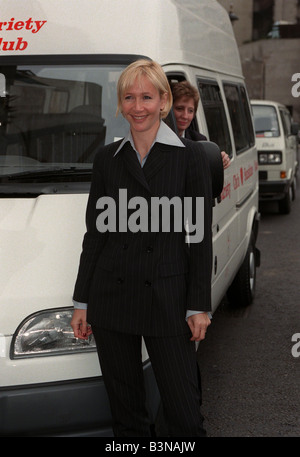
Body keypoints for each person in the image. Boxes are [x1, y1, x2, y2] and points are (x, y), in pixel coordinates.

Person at [71, 59, 213, 437]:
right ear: (120, 104)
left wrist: (199, 305)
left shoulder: (190, 156)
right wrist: (81, 302)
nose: (138, 106)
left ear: (163, 101)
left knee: (185, 416)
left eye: (147, 97)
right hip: (112, 298)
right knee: (126, 416)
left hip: (168, 298)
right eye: (129, 97)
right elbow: (95, 236)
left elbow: (199, 237)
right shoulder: (107, 159)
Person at [171, 80, 231, 169]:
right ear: (169, 109)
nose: (185, 116)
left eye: (190, 111)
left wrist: (219, 160)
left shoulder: (199, 141)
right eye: (179, 109)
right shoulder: (154, 139)